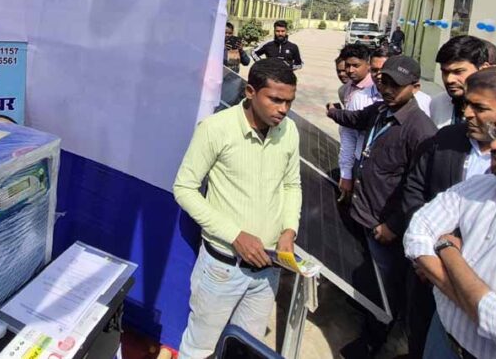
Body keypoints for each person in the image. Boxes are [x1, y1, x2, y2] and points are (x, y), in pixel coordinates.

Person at [404, 84, 496, 358]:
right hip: (441, 337)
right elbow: (416, 232)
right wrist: (477, 302)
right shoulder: (479, 187)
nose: (495, 145)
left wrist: (448, 250)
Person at [174, 58, 302, 358]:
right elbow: (184, 188)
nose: (283, 109)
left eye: (289, 102)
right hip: (222, 269)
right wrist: (235, 235)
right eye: (275, 100)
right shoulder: (216, 129)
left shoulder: (289, 131)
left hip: (269, 269)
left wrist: (289, 230)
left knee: (245, 350)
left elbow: (291, 185)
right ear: (250, 92)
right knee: (200, 349)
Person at [327, 56, 437, 358]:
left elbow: (419, 189)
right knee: (370, 277)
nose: (387, 89)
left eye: (396, 85)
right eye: (384, 81)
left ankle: (375, 339)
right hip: (365, 212)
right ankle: (369, 316)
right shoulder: (380, 110)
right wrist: (334, 112)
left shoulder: (421, 130)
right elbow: (355, 119)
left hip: (385, 227)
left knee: (387, 290)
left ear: (415, 87)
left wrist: (393, 225)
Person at [330, 44, 375, 201]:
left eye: (355, 65)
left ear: (368, 64)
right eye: (347, 66)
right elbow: (348, 133)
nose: (349, 70)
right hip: (358, 158)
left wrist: (336, 114)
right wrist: (346, 173)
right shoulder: (348, 89)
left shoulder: (377, 90)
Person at [430, 36, 494, 128]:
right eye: (445, 72)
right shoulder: (437, 103)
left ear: (483, 69)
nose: (449, 79)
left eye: (458, 71)